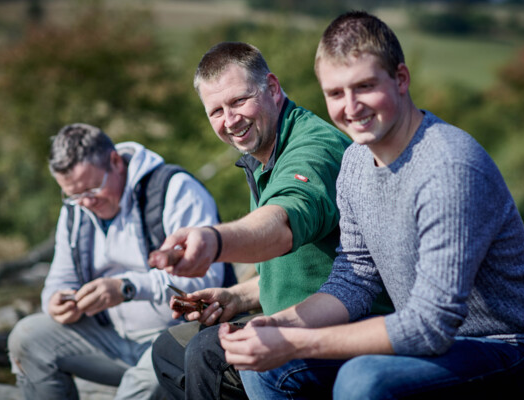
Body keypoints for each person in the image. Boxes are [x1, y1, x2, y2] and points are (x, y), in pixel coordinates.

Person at [220, 11, 524, 400]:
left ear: (400, 80)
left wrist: (296, 343)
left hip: (510, 346)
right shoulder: (355, 161)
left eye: (365, 86)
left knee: (365, 380)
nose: (351, 107)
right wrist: (279, 326)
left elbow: (431, 325)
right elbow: (354, 279)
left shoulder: (449, 166)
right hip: (432, 343)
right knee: (266, 366)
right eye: (336, 93)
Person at [149, 42, 380, 399]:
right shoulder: (262, 152)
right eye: (216, 111)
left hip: (349, 324)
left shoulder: (313, 150)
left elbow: (283, 224)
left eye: (239, 101)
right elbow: (300, 266)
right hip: (289, 314)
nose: (230, 120)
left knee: (208, 356)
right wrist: (236, 297)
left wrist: (214, 240)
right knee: (170, 348)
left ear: (272, 88)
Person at [7, 123, 226, 400]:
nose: (84, 202)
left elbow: (206, 281)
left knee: (143, 385)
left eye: (91, 189)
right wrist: (55, 301)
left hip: (180, 337)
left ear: (115, 162)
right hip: (110, 340)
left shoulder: (175, 190)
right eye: (72, 195)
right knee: (26, 337)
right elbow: (59, 280)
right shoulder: (76, 210)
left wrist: (126, 288)